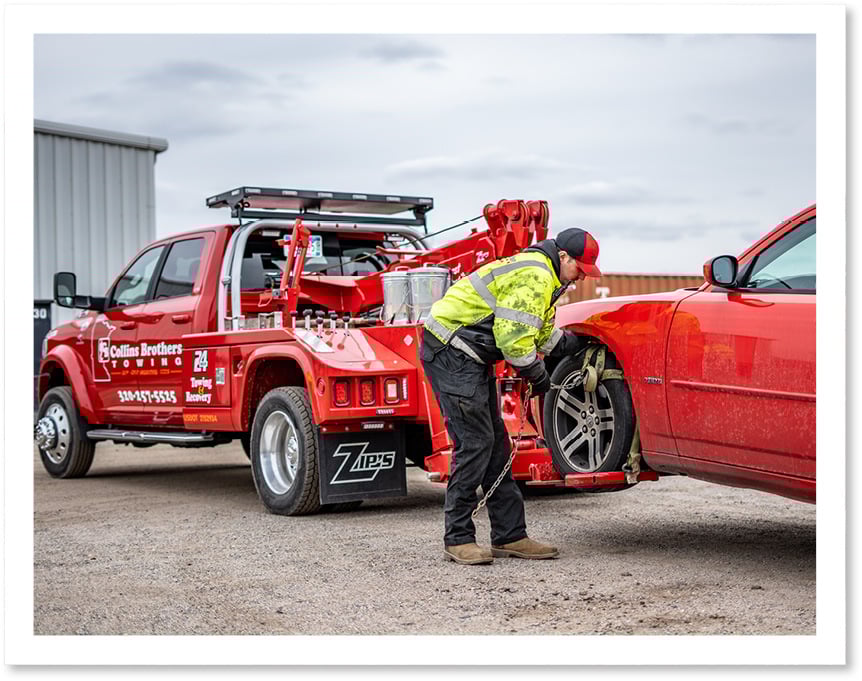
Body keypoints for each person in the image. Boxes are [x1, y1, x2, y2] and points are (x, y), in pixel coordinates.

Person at [421, 228, 602, 565]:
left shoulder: (548, 278)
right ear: (563, 257)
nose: (579, 279)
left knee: (496, 446)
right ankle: (457, 538)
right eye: (579, 269)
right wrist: (537, 374)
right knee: (475, 443)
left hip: (470, 356)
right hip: (451, 352)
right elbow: (514, 340)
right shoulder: (535, 275)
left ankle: (510, 535)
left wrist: (574, 345)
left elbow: (540, 334)